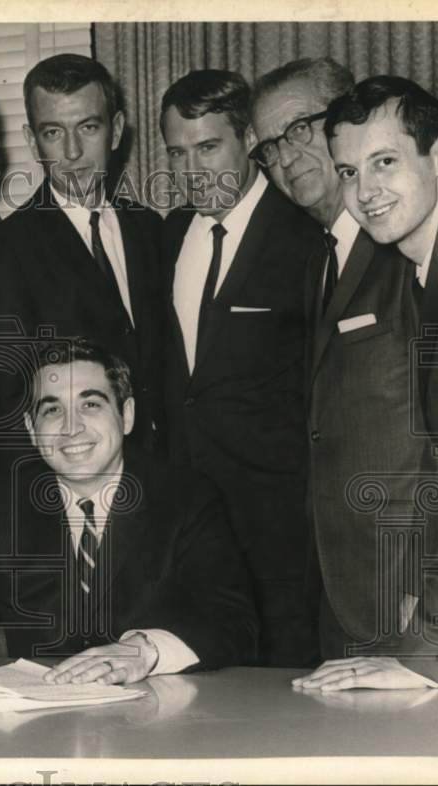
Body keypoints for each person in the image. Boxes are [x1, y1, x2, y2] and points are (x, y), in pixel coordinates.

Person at [0, 338, 258, 684]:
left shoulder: (186, 498)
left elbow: (236, 624)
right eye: (52, 410)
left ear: (127, 414)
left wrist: (146, 650)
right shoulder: (3, 503)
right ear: (31, 429)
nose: (71, 427)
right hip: (41, 717)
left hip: (163, 714)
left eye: (90, 404)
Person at [289, 75, 438, 690]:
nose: (365, 191)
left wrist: (423, 651)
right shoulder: (436, 262)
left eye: (385, 162)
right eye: (349, 171)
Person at [158, 69, 324, 667]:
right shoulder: (170, 233)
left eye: (208, 147)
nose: (192, 170)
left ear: (249, 139)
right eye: (177, 153)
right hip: (189, 525)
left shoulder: (305, 237)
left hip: (280, 528)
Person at [0, 54, 166, 473]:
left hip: (165, 478)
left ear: (116, 130)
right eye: (53, 132)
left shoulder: (150, 228)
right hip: (74, 484)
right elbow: (2, 404)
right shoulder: (5, 249)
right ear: (32, 141)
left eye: (88, 127)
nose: (73, 152)